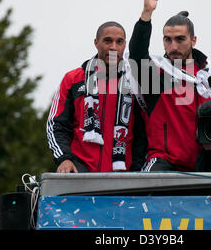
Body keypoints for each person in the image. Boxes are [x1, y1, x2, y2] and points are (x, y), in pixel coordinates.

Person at [128, 0, 211, 172]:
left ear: (194, 40)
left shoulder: (210, 77)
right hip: (163, 162)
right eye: (168, 40)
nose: (173, 46)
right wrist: (146, 15)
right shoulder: (157, 77)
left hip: (204, 163)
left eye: (180, 39)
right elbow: (137, 56)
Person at [46, 21, 140, 173]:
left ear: (125, 44)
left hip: (123, 174)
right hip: (80, 171)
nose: (113, 47)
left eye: (119, 42)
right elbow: (56, 125)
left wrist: (137, 169)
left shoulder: (135, 82)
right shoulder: (73, 79)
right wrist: (64, 158)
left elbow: (143, 133)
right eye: (107, 40)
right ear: (96, 43)